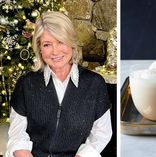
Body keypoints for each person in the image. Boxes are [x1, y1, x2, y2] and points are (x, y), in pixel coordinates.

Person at [5, 11, 112, 157]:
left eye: (61, 41)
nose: (55, 52)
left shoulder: (94, 84)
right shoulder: (26, 83)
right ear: (40, 48)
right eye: (47, 44)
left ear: (71, 43)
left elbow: (101, 134)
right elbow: (17, 135)